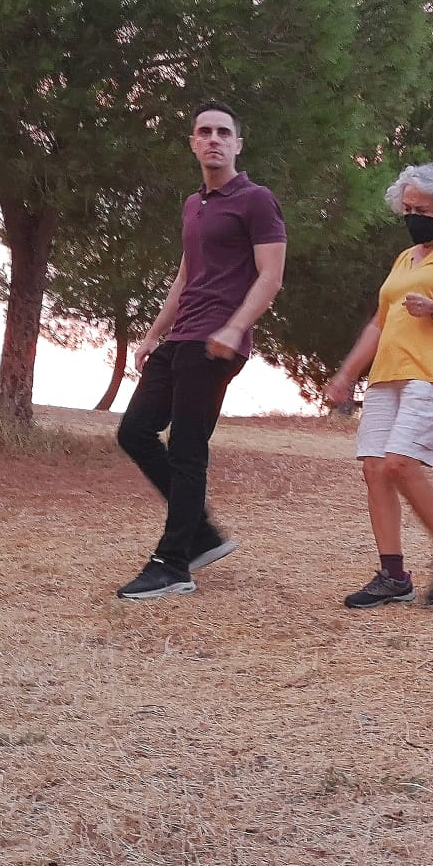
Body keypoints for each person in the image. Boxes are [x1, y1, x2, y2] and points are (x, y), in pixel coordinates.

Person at [115, 101, 286, 600]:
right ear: (192, 143)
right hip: (182, 336)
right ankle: (202, 534)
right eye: (203, 132)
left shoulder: (256, 200)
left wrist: (235, 328)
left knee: (189, 448)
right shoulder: (195, 204)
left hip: (216, 343)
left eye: (223, 132)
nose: (213, 139)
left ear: (237, 144)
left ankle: (173, 563)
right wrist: (152, 334)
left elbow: (271, 276)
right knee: (135, 432)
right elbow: (187, 275)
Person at [322, 165, 433, 608]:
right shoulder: (405, 259)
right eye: (406, 209)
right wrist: (346, 374)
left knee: (400, 462)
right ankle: (393, 575)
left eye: (420, 208)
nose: (412, 216)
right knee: (374, 467)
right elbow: (380, 323)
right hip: (388, 375)